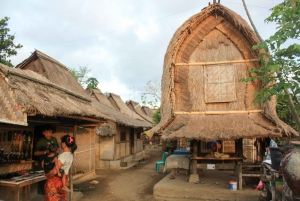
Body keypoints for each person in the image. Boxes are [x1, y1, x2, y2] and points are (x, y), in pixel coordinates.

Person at [44, 134, 77, 201]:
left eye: (61, 142)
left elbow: (55, 171)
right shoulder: (71, 155)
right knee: (61, 198)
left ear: (64, 144)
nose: (60, 144)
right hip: (64, 180)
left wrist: (47, 175)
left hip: (56, 180)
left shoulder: (62, 156)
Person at [34, 125, 59, 196]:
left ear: (51, 132)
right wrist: (45, 152)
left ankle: (53, 194)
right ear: (43, 133)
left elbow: (57, 149)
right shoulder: (41, 141)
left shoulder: (54, 139)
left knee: (53, 180)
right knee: (44, 181)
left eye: (49, 132)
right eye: (46, 132)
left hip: (53, 163)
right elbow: (35, 153)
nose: (48, 134)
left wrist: (55, 152)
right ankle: (44, 195)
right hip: (44, 164)